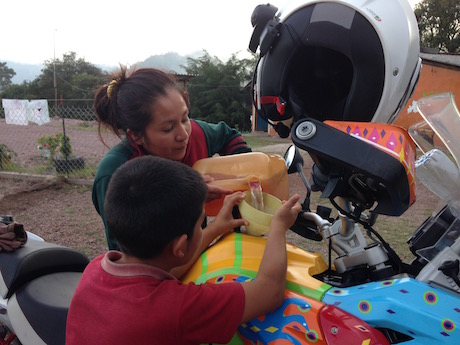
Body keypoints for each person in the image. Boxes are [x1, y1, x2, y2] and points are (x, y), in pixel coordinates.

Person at [66, 156, 301, 345]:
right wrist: (279, 226)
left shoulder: (96, 268)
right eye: (201, 223)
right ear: (178, 246)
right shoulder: (176, 309)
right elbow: (268, 292)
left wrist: (215, 229)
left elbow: (169, 267)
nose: (203, 227)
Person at [92, 66, 252, 252]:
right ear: (136, 135)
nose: (183, 134)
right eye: (168, 128)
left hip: (198, 256)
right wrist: (191, 199)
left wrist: (241, 175)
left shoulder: (196, 135)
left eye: (185, 118)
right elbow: (129, 256)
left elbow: (229, 137)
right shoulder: (114, 174)